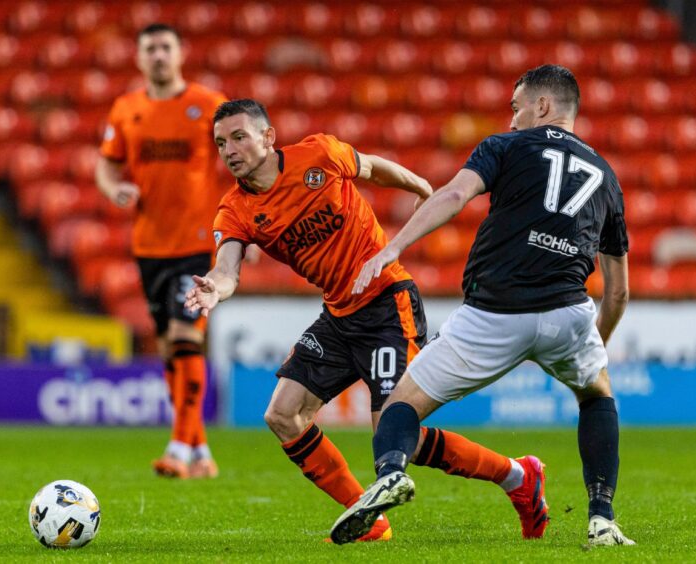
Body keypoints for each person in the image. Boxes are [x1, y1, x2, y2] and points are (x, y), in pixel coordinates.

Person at [187, 99, 545, 543]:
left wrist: (418, 187)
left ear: (268, 136)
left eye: (239, 137)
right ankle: (369, 516)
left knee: (395, 435)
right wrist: (214, 289)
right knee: (283, 414)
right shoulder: (235, 209)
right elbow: (227, 269)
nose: (230, 149)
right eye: (221, 142)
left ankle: (517, 476)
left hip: (387, 303)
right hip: (338, 316)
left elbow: (373, 168)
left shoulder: (319, 155)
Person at [331, 64, 635, 547]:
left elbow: (454, 193)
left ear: (541, 106)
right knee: (597, 396)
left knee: (401, 405)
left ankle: (390, 472)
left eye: (516, 108)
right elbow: (617, 292)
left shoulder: (506, 146)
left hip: (492, 315)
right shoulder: (608, 178)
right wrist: (594, 345)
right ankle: (602, 519)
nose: (512, 119)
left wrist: (392, 248)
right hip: (568, 314)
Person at [95, 23, 227, 479]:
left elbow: (242, 161)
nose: (158, 54)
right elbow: (106, 165)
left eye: (165, 46)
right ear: (138, 57)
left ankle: (176, 447)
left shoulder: (208, 106)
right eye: (149, 48)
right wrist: (114, 190)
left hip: (197, 243)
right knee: (171, 346)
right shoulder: (127, 108)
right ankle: (200, 451)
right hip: (150, 246)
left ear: (181, 52)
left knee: (186, 335)